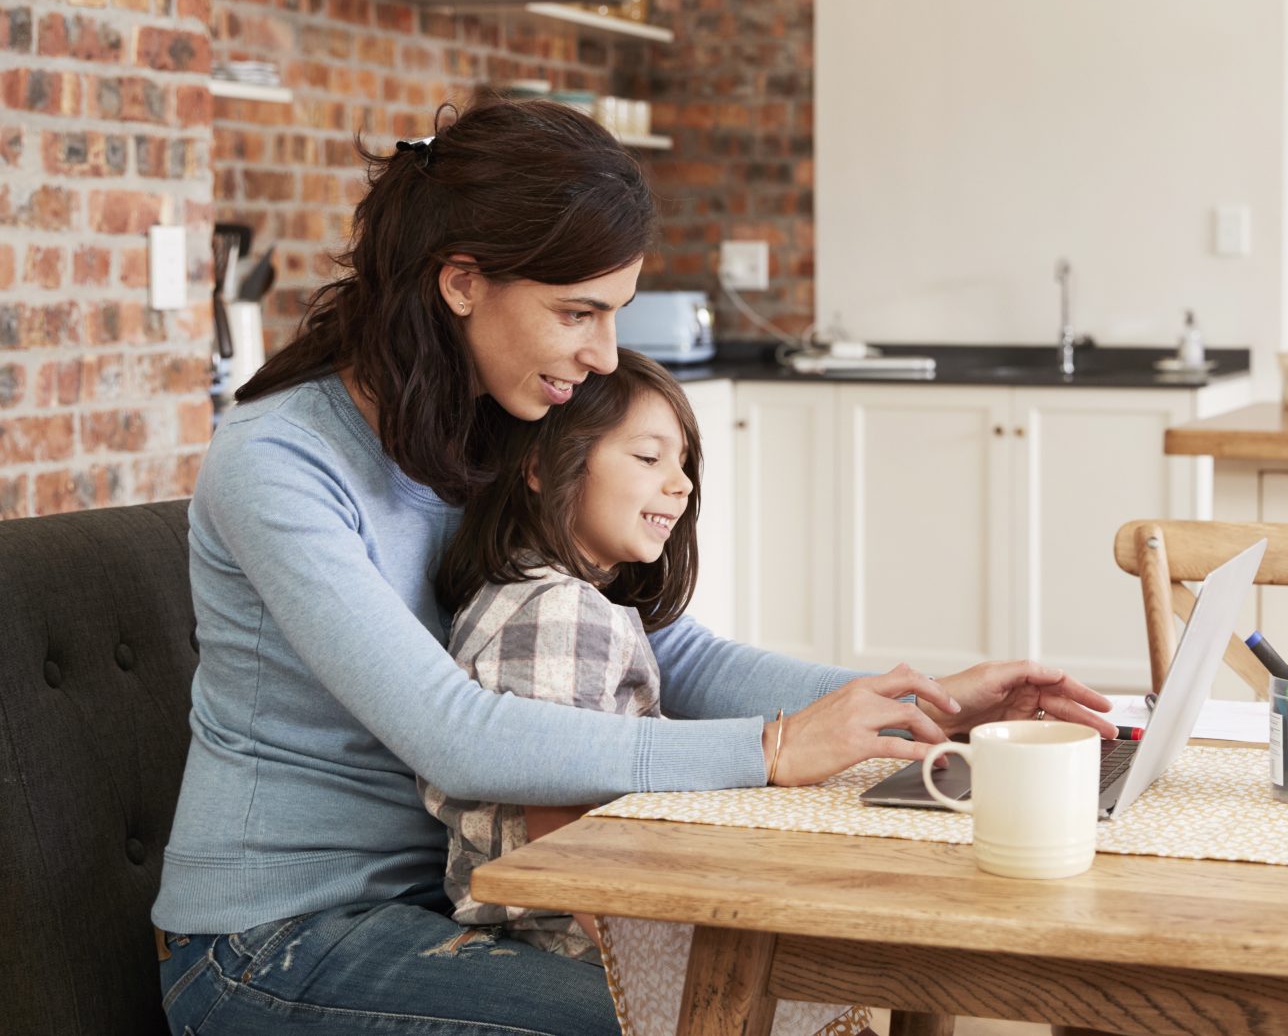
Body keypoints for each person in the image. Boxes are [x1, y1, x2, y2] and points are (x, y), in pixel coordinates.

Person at [154, 97, 1114, 1036]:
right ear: (460, 283)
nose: (604, 352)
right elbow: (454, 736)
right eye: (579, 312)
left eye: (613, 313)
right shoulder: (279, 462)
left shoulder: (493, 427)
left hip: (464, 901)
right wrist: (771, 750)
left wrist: (925, 706)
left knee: (810, 989)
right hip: (276, 944)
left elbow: (671, 654)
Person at [422, 348, 865, 1034]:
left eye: (683, 463)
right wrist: (671, 966)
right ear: (541, 467)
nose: (681, 484)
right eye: (649, 457)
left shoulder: (557, 600)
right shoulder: (556, 612)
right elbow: (564, 854)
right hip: (558, 939)